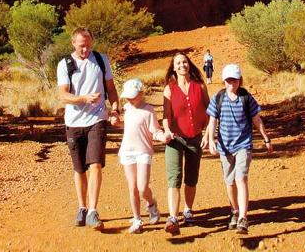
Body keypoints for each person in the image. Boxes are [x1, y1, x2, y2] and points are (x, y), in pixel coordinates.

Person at [57, 27, 118, 229]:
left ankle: (92, 210)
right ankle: (81, 207)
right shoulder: (65, 64)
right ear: (73, 43)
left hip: (97, 119)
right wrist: (84, 98)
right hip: (74, 122)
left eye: (88, 45)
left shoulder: (101, 60)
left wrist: (115, 108)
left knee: (95, 164)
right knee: (79, 168)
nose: (86, 49)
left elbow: (111, 88)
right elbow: (63, 96)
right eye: (82, 46)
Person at [204, 63, 272, 234]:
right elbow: (212, 120)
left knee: (241, 178)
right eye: (228, 81)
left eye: (234, 80)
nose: (231, 84)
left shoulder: (246, 98)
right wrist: (211, 139)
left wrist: (266, 139)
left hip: (243, 145)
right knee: (229, 181)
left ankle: (243, 217)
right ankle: (234, 211)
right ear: (223, 81)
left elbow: (257, 120)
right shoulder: (218, 98)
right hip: (225, 147)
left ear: (240, 81)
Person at [160, 51, 209, 235]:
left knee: (191, 177)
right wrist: (167, 130)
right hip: (175, 139)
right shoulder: (169, 89)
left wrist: (208, 134)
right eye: (178, 63)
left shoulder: (200, 86)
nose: (182, 65)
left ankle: (188, 210)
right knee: (174, 177)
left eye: (185, 62)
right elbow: (166, 116)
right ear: (174, 67)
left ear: (189, 65)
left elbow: (210, 111)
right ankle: (173, 217)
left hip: (196, 137)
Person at [115, 78, 167, 233]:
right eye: (128, 96)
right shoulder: (126, 108)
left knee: (142, 187)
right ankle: (137, 219)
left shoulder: (149, 110)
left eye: (133, 96)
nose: (130, 99)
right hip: (127, 151)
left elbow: (154, 130)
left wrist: (162, 136)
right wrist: (117, 123)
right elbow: (128, 125)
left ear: (141, 93)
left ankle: (151, 204)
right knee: (132, 188)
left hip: (143, 151)